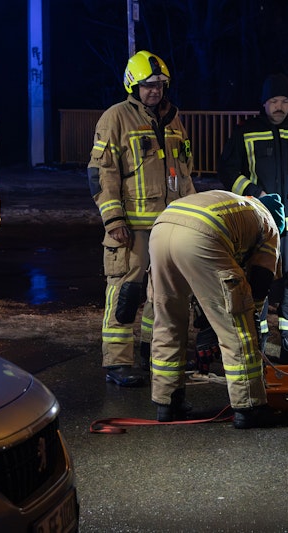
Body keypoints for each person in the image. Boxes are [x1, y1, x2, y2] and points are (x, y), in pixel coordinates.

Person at [88, 50, 195, 387]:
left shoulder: (173, 119)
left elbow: (185, 172)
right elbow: (101, 174)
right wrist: (114, 220)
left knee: (163, 294)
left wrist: (193, 216)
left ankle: (154, 352)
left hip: (169, 226)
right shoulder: (115, 118)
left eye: (160, 85)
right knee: (124, 294)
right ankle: (117, 364)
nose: (155, 91)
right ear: (133, 85)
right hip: (131, 229)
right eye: (149, 85)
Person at [148, 190, 286, 426]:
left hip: (161, 228)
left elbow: (206, 284)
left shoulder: (236, 206)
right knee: (237, 327)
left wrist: (208, 326)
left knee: (168, 320)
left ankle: (167, 403)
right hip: (201, 235)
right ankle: (249, 407)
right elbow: (260, 281)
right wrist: (249, 318)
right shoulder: (269, 224)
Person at [217, 73, 288, 365]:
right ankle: (258, 342)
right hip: (257, 221)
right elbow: (228, 170)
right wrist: (253, 193)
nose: (279, 107)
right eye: (274, 101)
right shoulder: (245, 132)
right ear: (263, 103)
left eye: (285, 101)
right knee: (256, 281)